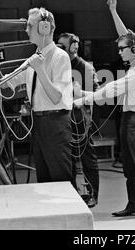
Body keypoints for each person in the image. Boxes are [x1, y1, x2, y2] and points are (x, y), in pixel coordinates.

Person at [74, 0, 135, 224]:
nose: (119, 51)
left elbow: (113, 88)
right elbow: (125, 35)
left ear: (133, 49)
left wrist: (85, 98)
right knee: (130, 168)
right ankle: (134, 206)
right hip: (128, 119)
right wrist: (113, 11)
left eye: (122, 49)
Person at [4, 7, 74, 186]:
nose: (26, 30)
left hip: (56, 122)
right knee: (44, 177)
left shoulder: (60, 57)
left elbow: (56, 96)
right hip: (39, 122)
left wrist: (41, 70)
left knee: (60, 177)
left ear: (44, 28)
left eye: (29, 25)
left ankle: (70, 213)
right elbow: (11, 79)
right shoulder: (34, 58)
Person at [58, 32, 100, 208]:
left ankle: (92, 194)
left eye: (62, 45)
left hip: (81, 119)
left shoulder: (85, 68)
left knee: (87, 157)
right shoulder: (61, 65)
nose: (58, 48)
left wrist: (80, 94)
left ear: (74, 47)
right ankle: (73, 193)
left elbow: (98, 96)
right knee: (68, 159)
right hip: (63, 119)